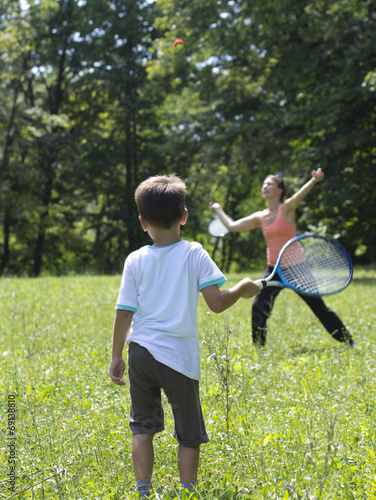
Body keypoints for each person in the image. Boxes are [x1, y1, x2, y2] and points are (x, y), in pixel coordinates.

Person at [109, 174, 260, 499]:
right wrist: (243, 288)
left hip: (140, 354)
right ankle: (188, 492)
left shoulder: (134, 259)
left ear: (142, 221)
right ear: (184, 216)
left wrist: (116, 355)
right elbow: (217, 304)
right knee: (189, 434)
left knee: (142, 428)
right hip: (178, 358)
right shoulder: (194, 253)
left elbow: (124, 312)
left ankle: (143, 491)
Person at [210, 168, 355, 347]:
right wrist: (218, 209)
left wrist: (314, 181)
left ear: (280, 190)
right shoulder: (260, 217)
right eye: (264, 184)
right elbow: (232, 226)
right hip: (274, 268)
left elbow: (298, 196)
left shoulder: (286, 208)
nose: (265, 186)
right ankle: (259, 348)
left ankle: (349, 342)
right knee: (259, 306)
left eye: (269, 183)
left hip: (297, 267)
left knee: (319, 308)